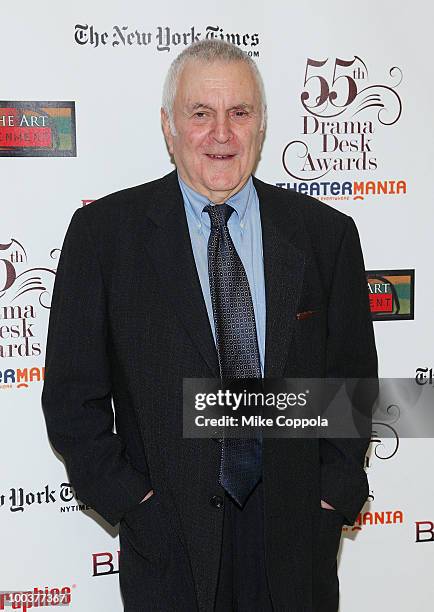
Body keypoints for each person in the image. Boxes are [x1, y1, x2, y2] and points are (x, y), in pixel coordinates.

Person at [41, 39, 377, 612]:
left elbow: (350, 388)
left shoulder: (326, 235)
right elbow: (73, 401)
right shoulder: (103, 238)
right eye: (201, 114)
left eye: (239, 113)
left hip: (297, 545)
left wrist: (331, 499)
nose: (221, 134)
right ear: (169, 127)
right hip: (169, 545)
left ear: (262, 124)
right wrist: (135, 503)